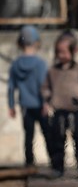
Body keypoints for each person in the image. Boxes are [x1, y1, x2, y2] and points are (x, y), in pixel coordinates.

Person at [41, 30, 78, 179]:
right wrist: (47, 99)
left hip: (76, 111)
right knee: (57, 141)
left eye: (64, 52)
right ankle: (57, 169)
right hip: (59, 112)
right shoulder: (52, 71)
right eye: (59, 52)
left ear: (74, 51)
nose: (61, 55)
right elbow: (45, 88)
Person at [8, 25, 53, 168]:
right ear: (36, 42)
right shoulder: (40, 64)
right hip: (40, 104)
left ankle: (29, 164)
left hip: (25, 105)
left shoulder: (15, 64)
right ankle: (55, 162)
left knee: (28, 136)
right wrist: (46, 102)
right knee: (47, 134)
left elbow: (11, 87)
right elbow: (43, 85)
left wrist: (11, 105)